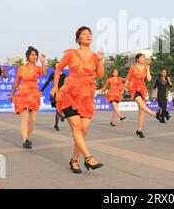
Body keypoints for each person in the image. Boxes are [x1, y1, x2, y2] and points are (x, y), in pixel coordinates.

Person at [51, 26, 104, 174]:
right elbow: (58, 68)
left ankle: (74, 160)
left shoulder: (95, 56)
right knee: (77, 127)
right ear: (78, 38)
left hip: (86, 96)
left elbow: (100, 74)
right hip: (70, 93)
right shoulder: (71, 53)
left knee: (84, 129)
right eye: (84, 34)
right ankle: (88, 157)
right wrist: (55, 86)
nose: (88, 36)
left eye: (89, 34)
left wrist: (100, 60)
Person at [9, 47, 47, 149]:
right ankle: (25, 139)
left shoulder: (38, 68)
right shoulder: (21, 68)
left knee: (33, 120)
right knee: (24, 119)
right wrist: (12, 94)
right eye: (32, 55)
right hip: (23, 94)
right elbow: (17, 82)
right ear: (28, 56)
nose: (34, 57)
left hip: (34, 94)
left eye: (35, 55)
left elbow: (44, 73)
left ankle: (27, 138)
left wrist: (43, 62)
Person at [123, 54, 161, 138]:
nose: (143, 59)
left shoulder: (145, 68)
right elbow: (128, 78)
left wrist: (148, 69)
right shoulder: (133, 68)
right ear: (137, 59)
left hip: (142, 89)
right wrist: (123, 89)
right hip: (133, 88)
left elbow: (149, 79)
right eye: (141, 58)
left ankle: (139, 130)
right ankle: (156, 115)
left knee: (141, 110)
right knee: (141, 104)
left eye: (144, 58)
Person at [40, 62, 66, 131]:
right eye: (56, 66)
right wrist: (42, 90)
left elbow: (66, 84)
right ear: (54, 68)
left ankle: (56, 124)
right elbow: (47, 82)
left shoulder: (63, 75)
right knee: (58, 107)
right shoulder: (53, 74)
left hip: (61, 93)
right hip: (54, 92)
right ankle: (60, 117)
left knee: (59, 109)